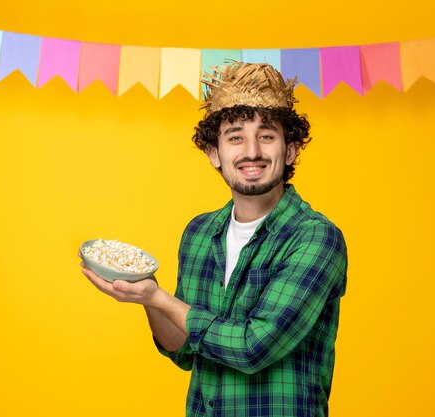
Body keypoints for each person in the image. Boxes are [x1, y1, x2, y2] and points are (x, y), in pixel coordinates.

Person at [81, 62, 348, 417]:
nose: (251, 151)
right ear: (213, 153)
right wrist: (149, 297)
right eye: (235, 137)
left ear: (291, 150)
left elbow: (253, 348)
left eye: (266, 136)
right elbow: (182, 351)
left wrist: (162, 298)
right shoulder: (199, 234)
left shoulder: (315, 237)